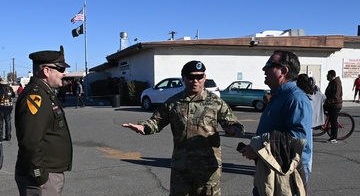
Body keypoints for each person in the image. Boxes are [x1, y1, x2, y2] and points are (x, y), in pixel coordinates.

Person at [122, 60, 245, 196]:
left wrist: (234, 130)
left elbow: (233, 123)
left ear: (204, 78)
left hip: (207, 168)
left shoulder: (215, 102)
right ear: (184, 78)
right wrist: (143, 127)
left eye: (199, 77)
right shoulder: (173, 103)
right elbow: (157, 121)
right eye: (191, 77)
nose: (195, 81)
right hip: (182, 167)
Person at [239, 50, 313, 196]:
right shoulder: (278, 96)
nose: (264, 69)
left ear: (283, 71)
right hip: (269, 169)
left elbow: (297, 141)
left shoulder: (295, 99)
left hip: (285, 176)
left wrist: (258, 148)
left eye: (269, 65)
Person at [15, 45, 73, 196]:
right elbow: (30, 141)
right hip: (41, 178)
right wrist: (39, 175)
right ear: (46, 71)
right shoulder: (36, 97)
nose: (64, 73)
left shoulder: (46, 93)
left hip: (49, 173)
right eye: (60, 69)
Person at [324, 70, 343, 143]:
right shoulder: (332, 82)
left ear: (331, 75)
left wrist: (329, 102)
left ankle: (334, 138)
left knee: (333, 121)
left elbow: (336, 95)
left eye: (327, 75)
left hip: (335, 105)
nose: (326, 76)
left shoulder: (336, 83)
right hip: (331, 104)